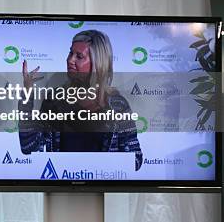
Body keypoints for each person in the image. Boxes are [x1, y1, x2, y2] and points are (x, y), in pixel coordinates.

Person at [19, 29, 143, 171]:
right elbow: (28, 146)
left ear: (98, 64)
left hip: (100, 187)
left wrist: (102, 169)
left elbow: (136, 160)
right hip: (60, 189)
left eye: (79, 56)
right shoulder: (54, 101)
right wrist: (27, 94)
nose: (70, 60)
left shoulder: (117, 106)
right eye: (70, 53)